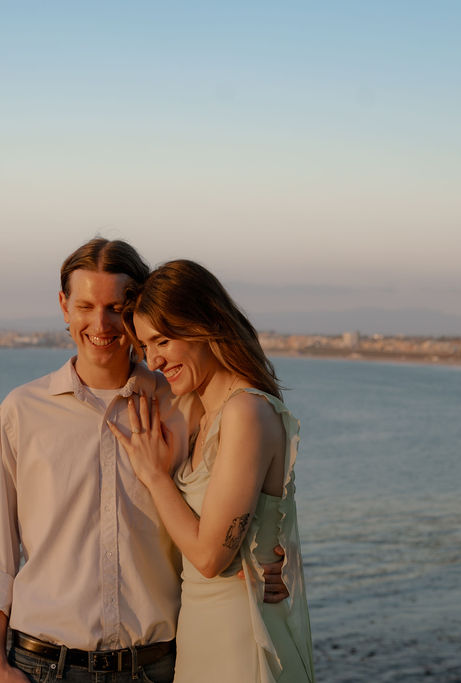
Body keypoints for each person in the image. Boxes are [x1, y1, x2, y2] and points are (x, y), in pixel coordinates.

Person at [0, 239, 289, 683]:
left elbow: (244, 496)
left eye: (116, 307)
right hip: (44, 666)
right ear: (64, 307)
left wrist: (272, 562)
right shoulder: (21, 411)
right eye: (85, 306)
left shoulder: (184, 405)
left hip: (156, 666)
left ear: (137, 312)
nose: (101, 323)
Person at [109, 259, 315, 682]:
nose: (154, 361)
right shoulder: (204, 413)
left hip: (239, 638)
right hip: (201, 632)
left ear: (204, 324)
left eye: (163, 340)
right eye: (146, 347)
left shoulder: (246, 412)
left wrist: (154, 476)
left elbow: (207, 556)